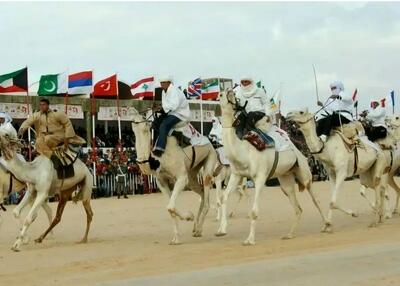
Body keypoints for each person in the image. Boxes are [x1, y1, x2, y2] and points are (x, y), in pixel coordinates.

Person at [18, 98, 86, 157]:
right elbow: (27, 122)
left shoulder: (57, 114)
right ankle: (44, 154)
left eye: (43, 105)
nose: (41, 106)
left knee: (47, 139)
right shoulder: (37, 115)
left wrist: (67, 137)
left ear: (48, 105)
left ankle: (49, 156)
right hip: (44, 136)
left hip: (58, 136)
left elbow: (67, 124)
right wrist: (21, 131)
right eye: (40, 105)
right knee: (38, 141)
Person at [152, 76, 191, 157]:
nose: (161, 85)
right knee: (155, 123)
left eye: (163, 83)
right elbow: (166, 106)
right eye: (161, 83)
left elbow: (174, 105)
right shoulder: (164, 92)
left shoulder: (174, 90)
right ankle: (159, 143)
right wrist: (159, 109)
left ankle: (160, 149)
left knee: (164, 125)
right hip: (171, 113)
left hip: (181, 114)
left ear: (169, 83)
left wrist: (161, 109)